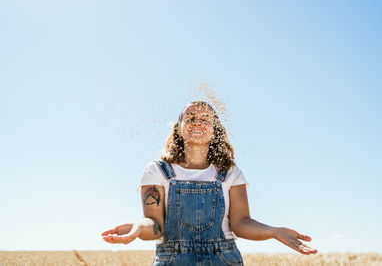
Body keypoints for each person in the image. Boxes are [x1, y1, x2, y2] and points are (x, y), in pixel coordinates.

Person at [102, 101, 317, 265]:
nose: (198, 121)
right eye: (190, 117)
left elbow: (240, 223)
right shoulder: (157, 170)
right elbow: (156, 227)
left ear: (215, 129)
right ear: (179, 127)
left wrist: (274, 231)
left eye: (206, 118)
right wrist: (139, 228)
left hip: (223, 259)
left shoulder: (230, 172)